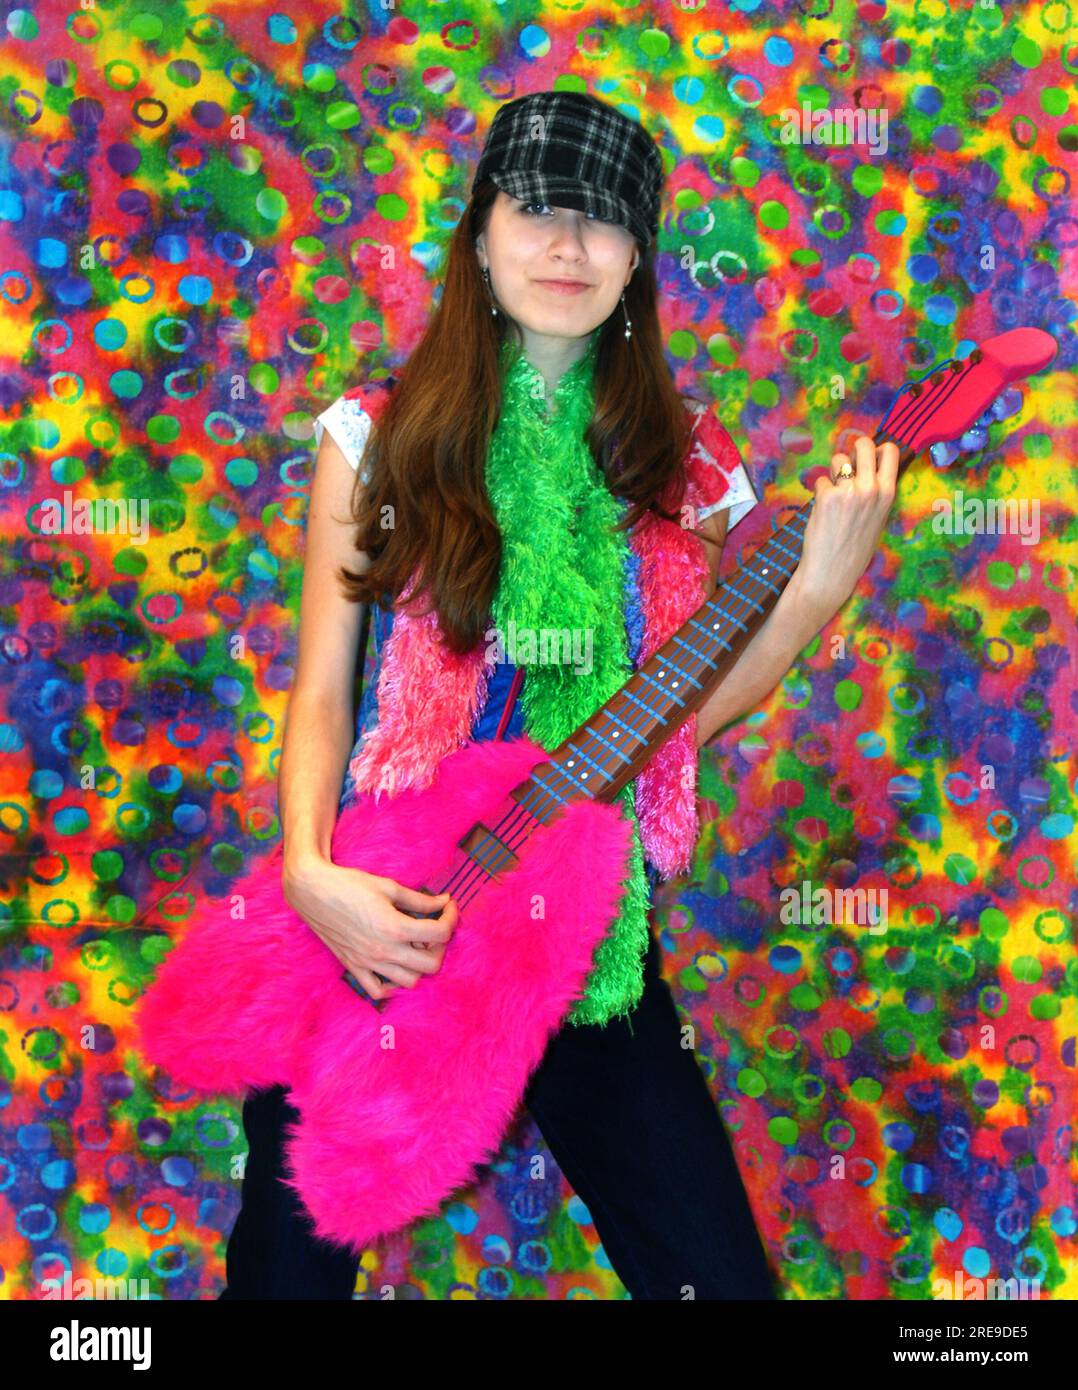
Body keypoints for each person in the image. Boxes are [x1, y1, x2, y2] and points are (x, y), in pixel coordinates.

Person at [220, 90, 898, 1301]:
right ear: (479, 233)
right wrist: (310, 875)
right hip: (394, 910)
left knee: (717, 1281)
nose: (567, 247)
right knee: (285, 1273)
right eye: (535, 211)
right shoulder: (373, 434)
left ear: (638, 257)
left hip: (588, 930)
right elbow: (322, 691)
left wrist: (810, 597)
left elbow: (681, 725)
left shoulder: (692, 470)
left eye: (604, 222)